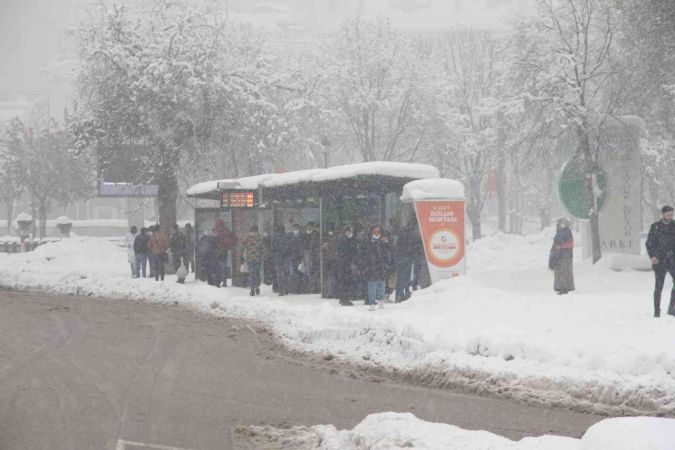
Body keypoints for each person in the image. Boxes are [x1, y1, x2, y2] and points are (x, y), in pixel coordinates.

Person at [646, 205, 675, 317]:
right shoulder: (655, 227)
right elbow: (649, 243)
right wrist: (652, 256)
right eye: (668, 214)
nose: (670, 217)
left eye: (672, 214)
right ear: (663, 214)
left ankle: (672, 308)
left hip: (673, 260)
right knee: (659, 286)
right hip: (660, 261)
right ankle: (656, 311)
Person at [361, 224, 393, 310]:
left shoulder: (383, 242)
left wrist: (387, 243)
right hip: (371, 267)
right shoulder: (367, 242)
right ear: (371, 232)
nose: (376, 233)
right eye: (374, 232)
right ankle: (371, 303)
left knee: (381, 285)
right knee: (372, 285)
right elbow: (364, 255)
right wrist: (365, 266)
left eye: (378, 232)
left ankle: (381, 302)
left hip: (382, 267)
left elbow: (388, 253)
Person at [549, 218, 575, 295]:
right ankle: (560, 288)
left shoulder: (566, 232)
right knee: (559, 272)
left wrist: (561, 246)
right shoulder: (560, 232)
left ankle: (564, 289)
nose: (558, 225)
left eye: (559, 223)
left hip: (564, 256)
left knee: (564, 272)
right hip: (559, 256)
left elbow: (571, 244)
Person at [394, 221, 417, 302]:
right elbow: (413, 247)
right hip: (407, 257)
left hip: (399, 257)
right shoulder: (411, 235)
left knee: (400, 277)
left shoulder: (401, 235)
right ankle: (405, 293)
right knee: (406, 277)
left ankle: (398, 295)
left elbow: (396, 246)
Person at [336, 225, 359, 306]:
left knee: (345, 281)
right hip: (344, 263)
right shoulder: (343, 239)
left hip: (344, 262)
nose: (350, 233)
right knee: (345, 281)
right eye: (349, 232)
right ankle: (344, 298)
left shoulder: (344, 239)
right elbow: (347, 251)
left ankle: (344, 298)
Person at [212, 219, 238, 287]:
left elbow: (212, 242)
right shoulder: (227, 231)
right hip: (225, 251)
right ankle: (224, 281)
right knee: (224, 266)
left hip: (217, 252)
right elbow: (235, 239)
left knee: (217, 267)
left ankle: (217, 281)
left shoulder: (215, 232)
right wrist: (231, 245)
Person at [242, 225, 265, 296]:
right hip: (258, 258)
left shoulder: (247, 237)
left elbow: (242, 246)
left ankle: (252, 289)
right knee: (257, 272)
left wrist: (242, 255)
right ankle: (257, 286)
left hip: (249, 258)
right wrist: (263, 255)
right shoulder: (260, 237)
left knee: (251, 273)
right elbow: (263, 248)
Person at [271, 224, 292, 296]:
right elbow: (290, 247)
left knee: (279, 275)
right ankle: (286, 288)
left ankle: (281, 290)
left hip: (278, 258)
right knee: (286, 274)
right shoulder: (288, 237)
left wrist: (274, 256)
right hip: (286, 257)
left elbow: (272, 248)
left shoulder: (274, 237)